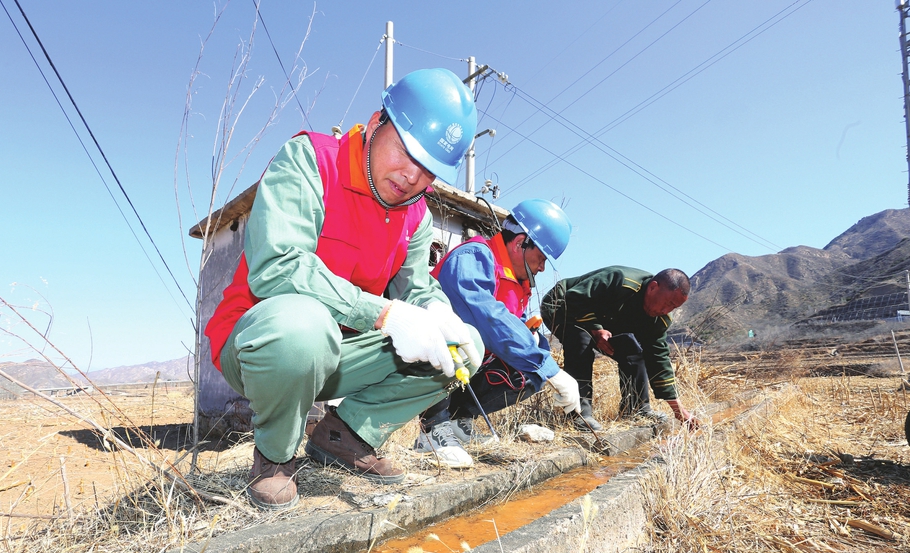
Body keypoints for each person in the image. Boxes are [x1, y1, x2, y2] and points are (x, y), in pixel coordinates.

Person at [204, 68, 484, 510]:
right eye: (406, 152)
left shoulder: (417, 215)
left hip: (339, 354)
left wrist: (439, 314)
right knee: (303, 326)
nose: (412, 177)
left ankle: (343, 436)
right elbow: (278, 266)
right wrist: (386, 315)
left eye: (428, 169)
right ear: (376, 124)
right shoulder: (310, 160)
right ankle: (274, 456)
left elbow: (416, 289)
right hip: (268, 343)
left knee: (457, 350)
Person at [413, 199, 581, 468]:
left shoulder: (516, 281)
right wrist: (551, 368)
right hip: (428, 357)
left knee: (530, 371)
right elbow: (489, 318)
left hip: (466, 364)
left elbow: (516, 326)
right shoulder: (473, 258)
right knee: (465, 337)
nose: (541, 268)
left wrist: (537, 347)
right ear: (520, 243)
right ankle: (433, 429)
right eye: (541, 258)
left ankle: (457, 420)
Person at [540, 266, 700, 430]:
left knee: (633, 348)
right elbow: (574, 297)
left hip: (602, 318)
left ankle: (636, 409)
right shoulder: (620, 281)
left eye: (673, 308)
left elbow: (658, 359)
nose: (666, 311)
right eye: (667, 303)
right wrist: (595, 329)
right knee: (581, 340)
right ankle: (579, 414)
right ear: (653, 287)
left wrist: (678, 410)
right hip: (562, 304)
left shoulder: (660, 320)